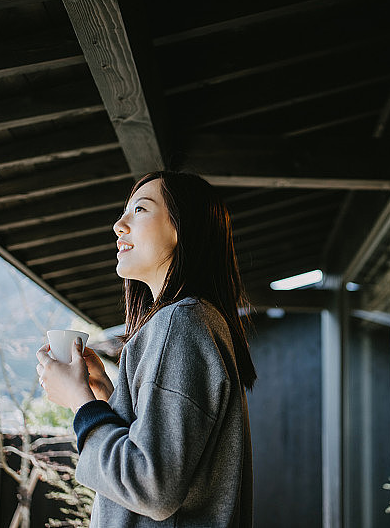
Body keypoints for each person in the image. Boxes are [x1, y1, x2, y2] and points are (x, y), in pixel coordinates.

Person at [36, 171, 255, 527]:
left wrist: (81, 402)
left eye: (139, 210)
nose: (118, 226)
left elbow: (150, 487)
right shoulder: (192, 322)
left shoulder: (180, 322)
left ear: (184, 228)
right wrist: (110, 400)